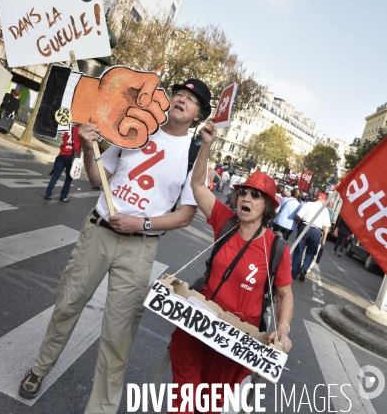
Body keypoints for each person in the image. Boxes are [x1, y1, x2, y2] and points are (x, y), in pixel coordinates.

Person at [19, 78, 211, 414]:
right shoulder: (138, 128)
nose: (181, 99)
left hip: (139, 247)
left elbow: (184, 215)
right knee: (68, 303)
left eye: (191, 99)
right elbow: (97, 179)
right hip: (99, 231)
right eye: (178, 93)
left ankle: (101, 408)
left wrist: (144, 223)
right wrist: (86, 146)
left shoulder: (196, 158)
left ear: (198, 115)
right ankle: (39, 368)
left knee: (119, 334)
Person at [169, 119, 293, 413]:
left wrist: (283, 328)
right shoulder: (224, 221)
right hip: (199, 325)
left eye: (256, 195)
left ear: (268, 208)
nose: (246, 198)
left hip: (238, 340)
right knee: (185, 402)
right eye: (244, 193)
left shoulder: (277, 249)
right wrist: (206, 146)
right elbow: (198, 184)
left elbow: (285, 295)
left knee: (208, 407)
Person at [291, 193, 330, 281]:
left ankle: (294, 273)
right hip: (316, 231)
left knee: (299, 250)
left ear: (316, 198)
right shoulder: (325, 210)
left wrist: (297, 222)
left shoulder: (308, 204)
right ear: (323, 201)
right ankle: (304, 269)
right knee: (311, 252)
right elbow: (326, 226)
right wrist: (324, 238)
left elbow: (298, 216)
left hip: (305, 227)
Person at [44, 126, 81, 202]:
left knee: (55, 175)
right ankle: (63, 196)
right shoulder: (81, 131)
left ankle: (47, 194)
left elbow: (63, 140)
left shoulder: (68, 129)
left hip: (62, 155)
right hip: (71, 157)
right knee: (68, 178)